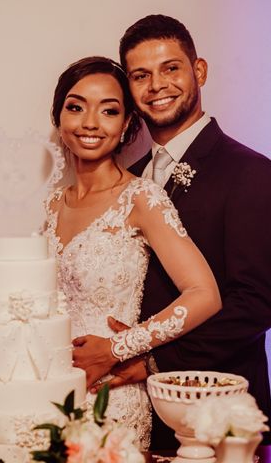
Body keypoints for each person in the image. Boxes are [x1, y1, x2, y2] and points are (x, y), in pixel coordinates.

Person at [72, 16, 271, 448]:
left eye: (170, 68)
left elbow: (257, 303)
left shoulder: (251, 173)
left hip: (216, 409)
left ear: (200, 71)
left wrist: (153, 360)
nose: (157, 85)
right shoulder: (128, 180)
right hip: (128, 413)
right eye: (141, 75)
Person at [44, 56, 222, 450]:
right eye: (76, 107)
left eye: (109, 111)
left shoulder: (141, 197)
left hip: (113, 397)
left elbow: (204, 294)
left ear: (126, 125)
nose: (90, 123)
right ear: (59, 119)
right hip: (53, 392)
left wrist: (118, 348)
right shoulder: (53, 204)